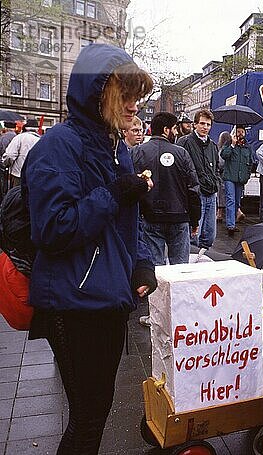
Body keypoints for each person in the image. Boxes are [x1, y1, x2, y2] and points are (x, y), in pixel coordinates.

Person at [22, 43, 155, 454]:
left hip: (107, 299)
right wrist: (115, 192)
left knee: (94, 414)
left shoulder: (116, 148)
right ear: (98, 94)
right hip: (74, 302)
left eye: (138, 98)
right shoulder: (60, 145)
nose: (135, 107)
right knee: (88, 419)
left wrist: (141, 264)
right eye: (126, 96)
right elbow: (53, 227)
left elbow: (122, 226)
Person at [132, 112, 201, 266]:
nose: (176, 132)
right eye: (174, 129)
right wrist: (195, 219)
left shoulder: (138, 152)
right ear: (166, 130)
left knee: (155, 269)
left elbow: (131, 186)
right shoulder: (181, 153)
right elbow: (193, 188)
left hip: (149, 217)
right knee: (180, 271)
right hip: (179, 217)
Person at [178, 109, 220, 250]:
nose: (205, 127)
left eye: (208, 124)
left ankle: (205, 261)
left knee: (209, 235)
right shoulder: (185, 142)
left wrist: (216, 183)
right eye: (202, 123)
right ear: (195, 124)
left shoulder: (213, 145)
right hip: (196, 195)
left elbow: (216, 169)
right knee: (193, 236)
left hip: (211, 193)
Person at [220, 125, 253, 236]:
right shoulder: (229, 144)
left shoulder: (247, 147)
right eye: (238, 131)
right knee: (230, 199)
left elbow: (250, 162)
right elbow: (224, 155)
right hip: (229, 176)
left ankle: (232, 221)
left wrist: (247, 175)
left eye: (242, 132)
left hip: (240, 178)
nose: (240, 134)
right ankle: (231, 225)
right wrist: (232, 145)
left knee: (237, 201)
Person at [2, 119, 40, 188]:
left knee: (16, 196)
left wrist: (5, 164)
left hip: (18, 175)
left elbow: (9, 155)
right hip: (34, 176)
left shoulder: (19, 137)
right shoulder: (40, 140)